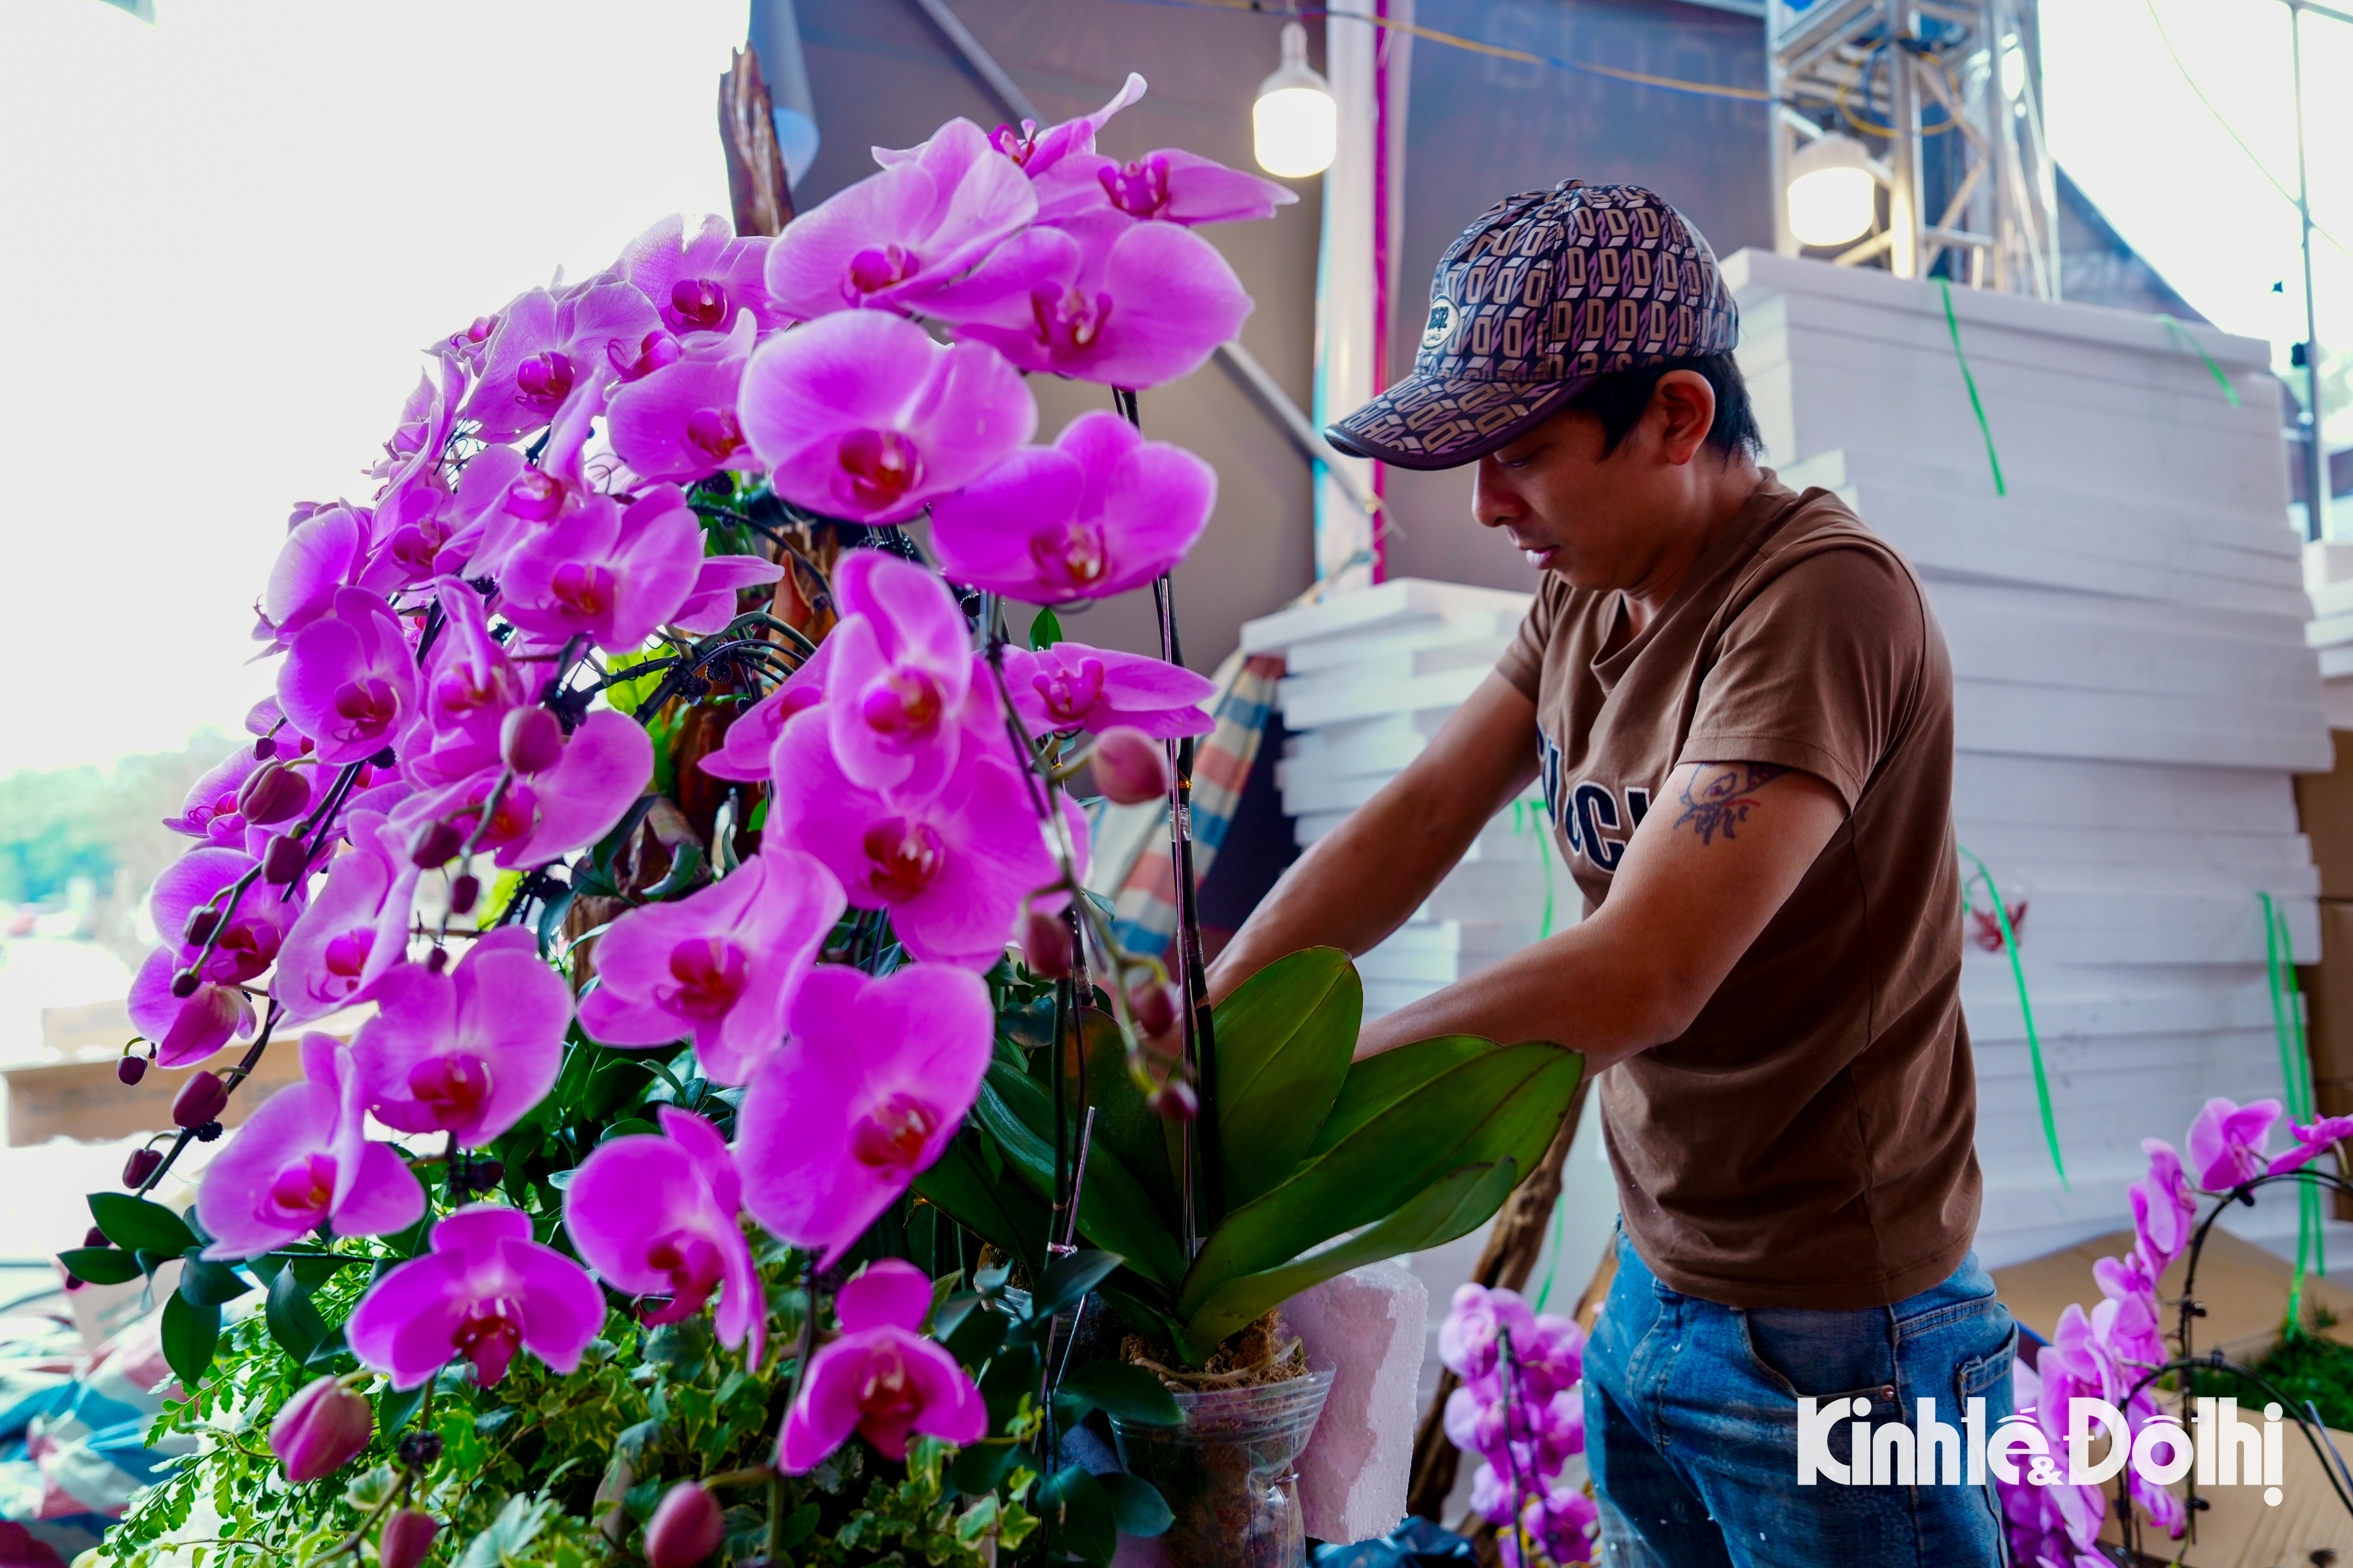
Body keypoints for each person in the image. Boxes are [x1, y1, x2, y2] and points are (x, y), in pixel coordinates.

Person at [1202, 181, 2015, 1566]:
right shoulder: (1591, 589)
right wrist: (1210, 1040)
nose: (1486, 502)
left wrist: (1292, 1104)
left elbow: (1646, 970)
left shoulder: (1817, 601)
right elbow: (1415, 816)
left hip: (1836, 1327)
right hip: (1658, 1281)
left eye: (1521, 451)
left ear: (1677, 418)